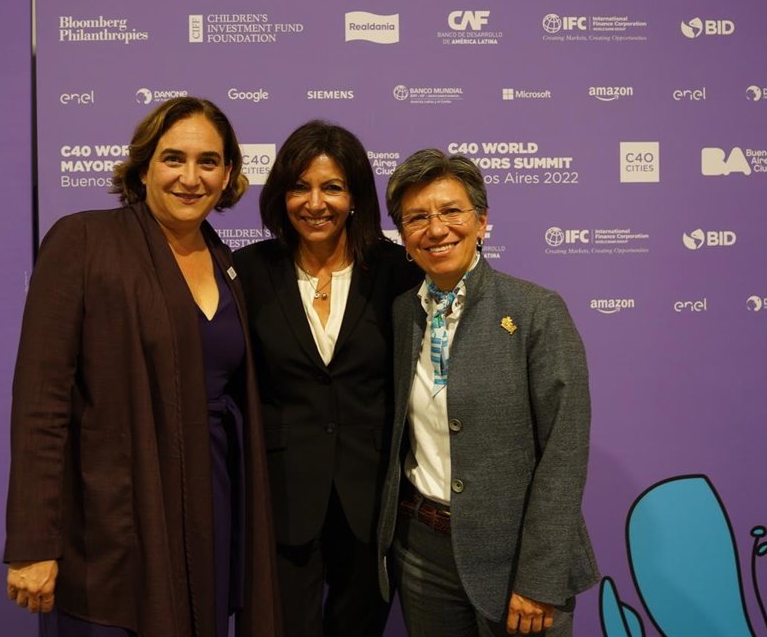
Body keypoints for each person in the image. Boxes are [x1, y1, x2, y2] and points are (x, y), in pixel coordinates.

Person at [4, 96, 281, 637]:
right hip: (116, 521)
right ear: (144, 165)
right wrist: (34, 543)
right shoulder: (84, 241)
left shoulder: (225, 261)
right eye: (173, 158)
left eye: (208, 162)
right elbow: (41, 404)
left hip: (212, 502)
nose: (190, 178)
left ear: (228, 174)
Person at [376, 149, 598, 637]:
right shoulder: (401, 313)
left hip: (515, 559)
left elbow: (564, 452)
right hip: (422, 556)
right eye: (417, 217)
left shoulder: (536, 311)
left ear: (481, 221)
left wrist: (539, 578)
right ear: (403, 236)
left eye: (451, 211)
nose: (436, 229)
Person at [233, 120, 420, 637]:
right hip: (281, 498)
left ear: (355, 196)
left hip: (371, 501)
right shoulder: (247, 271)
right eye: (300, 187)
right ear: (281, 194)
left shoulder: (398, 271)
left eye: (332, 187)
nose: (315, 203)